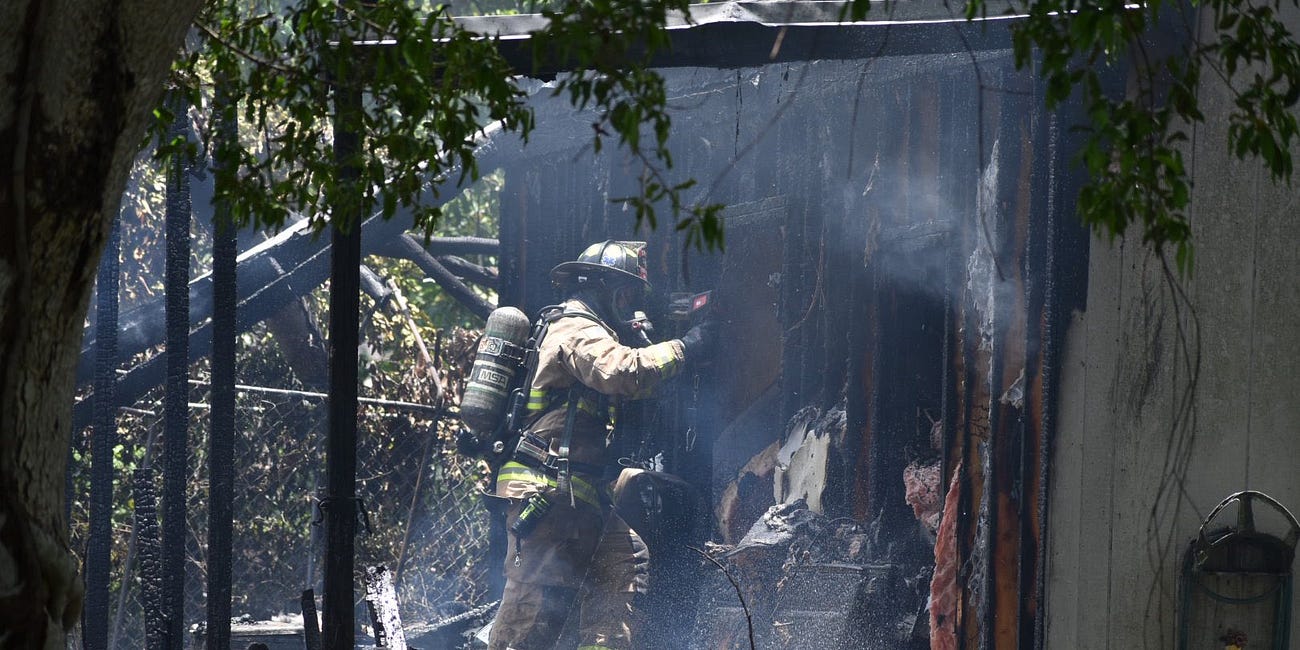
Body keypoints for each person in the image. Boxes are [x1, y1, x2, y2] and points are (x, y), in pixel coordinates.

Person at [488, 241, 715, 650]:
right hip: (548, 491)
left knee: (624, 565)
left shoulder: (594, 332)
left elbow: (637, 384)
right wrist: (687, 347)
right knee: (531, 612)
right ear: (601, 287)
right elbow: (622, 371)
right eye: (625, 294)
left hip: (580, 493)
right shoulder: (576, 328)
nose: (629, 305)